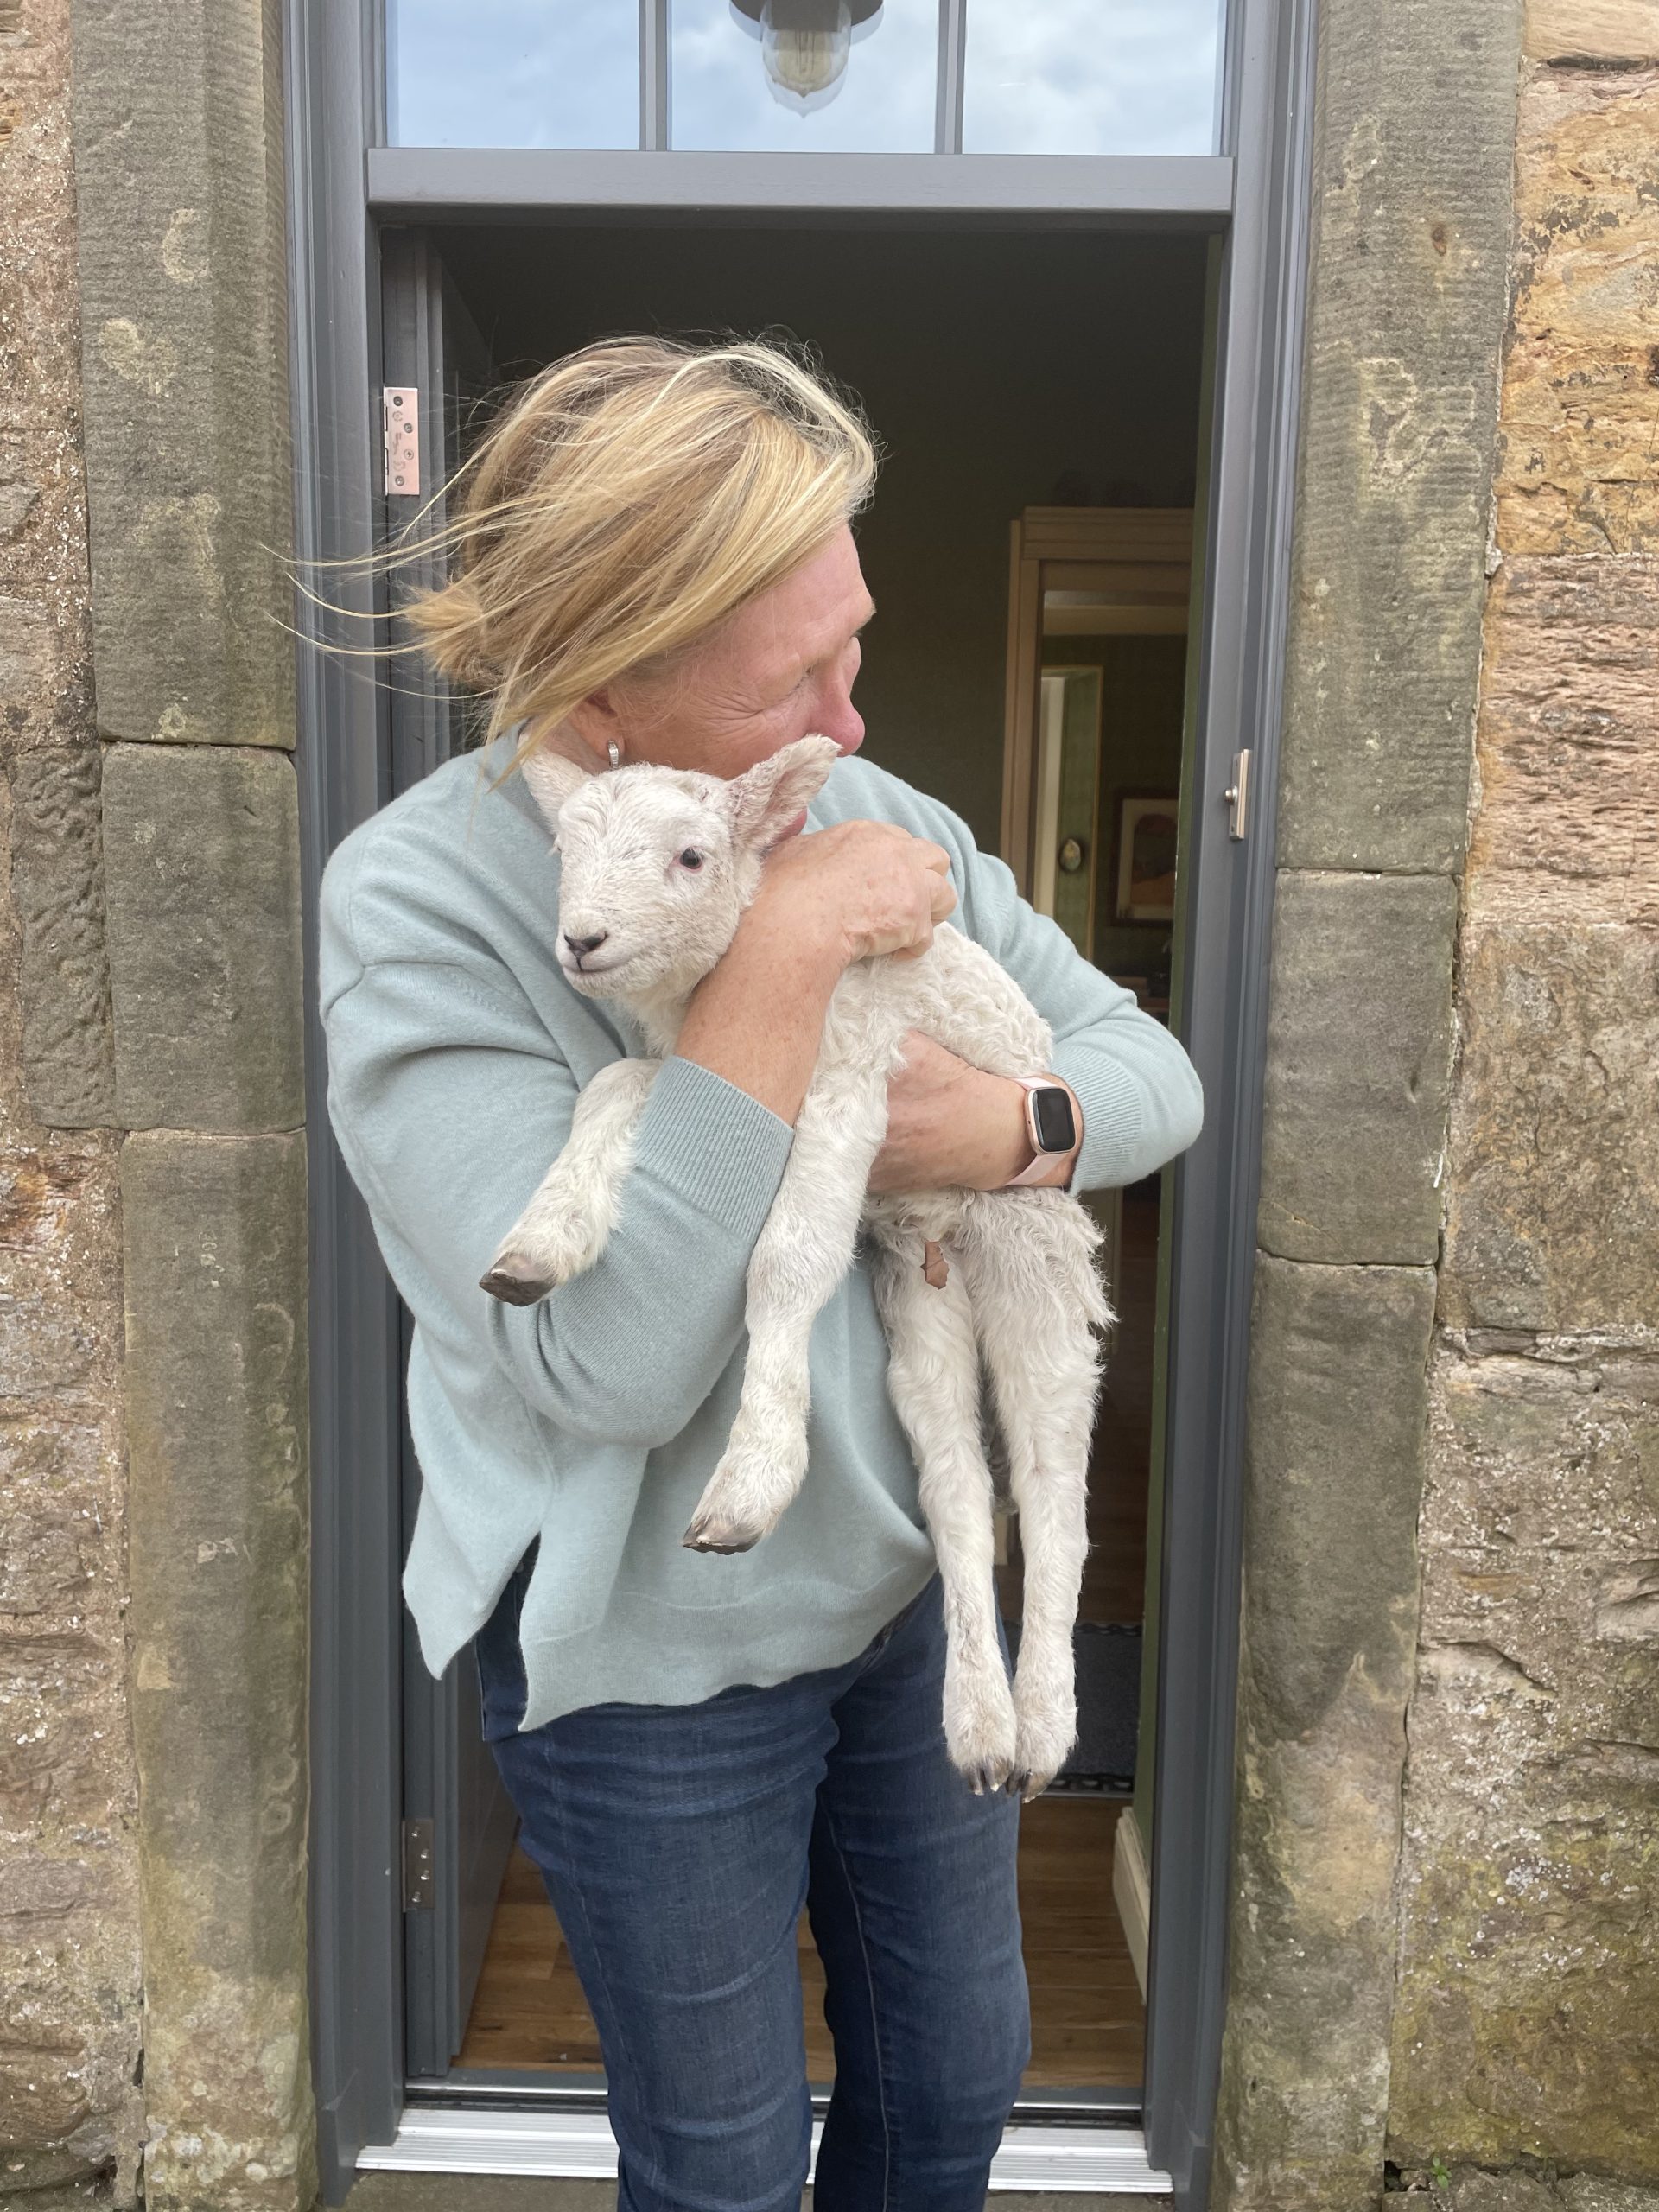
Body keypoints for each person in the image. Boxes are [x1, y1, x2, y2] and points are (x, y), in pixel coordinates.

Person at [319, 337, 1203, 2212]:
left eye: (855, 642)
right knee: (718, 2164)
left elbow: (1150, 1073)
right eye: (797, 672)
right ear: (606, 676)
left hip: (892, 1605)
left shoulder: (877, 822)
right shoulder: (418, 907)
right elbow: (620, 1363)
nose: (855, 716)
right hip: (645, 1653)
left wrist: (1002, 1126)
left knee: (958, 2079)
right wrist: (785, 948)